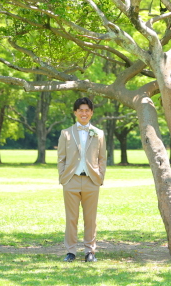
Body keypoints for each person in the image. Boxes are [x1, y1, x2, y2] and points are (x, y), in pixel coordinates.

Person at [57, 97, 107, 263]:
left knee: (90, 218)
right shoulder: (66, 133)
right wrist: (63, 177)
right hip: (71, 180)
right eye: (81, 110)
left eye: (87, 110)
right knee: (71, 218)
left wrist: (100, 177)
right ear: (75, 112)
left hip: (91, 181)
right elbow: (61, 158)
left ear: (91, 113)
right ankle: (71, 252)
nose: (84, 113)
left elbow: (102, 158)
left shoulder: (99, 133)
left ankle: (90, 251)